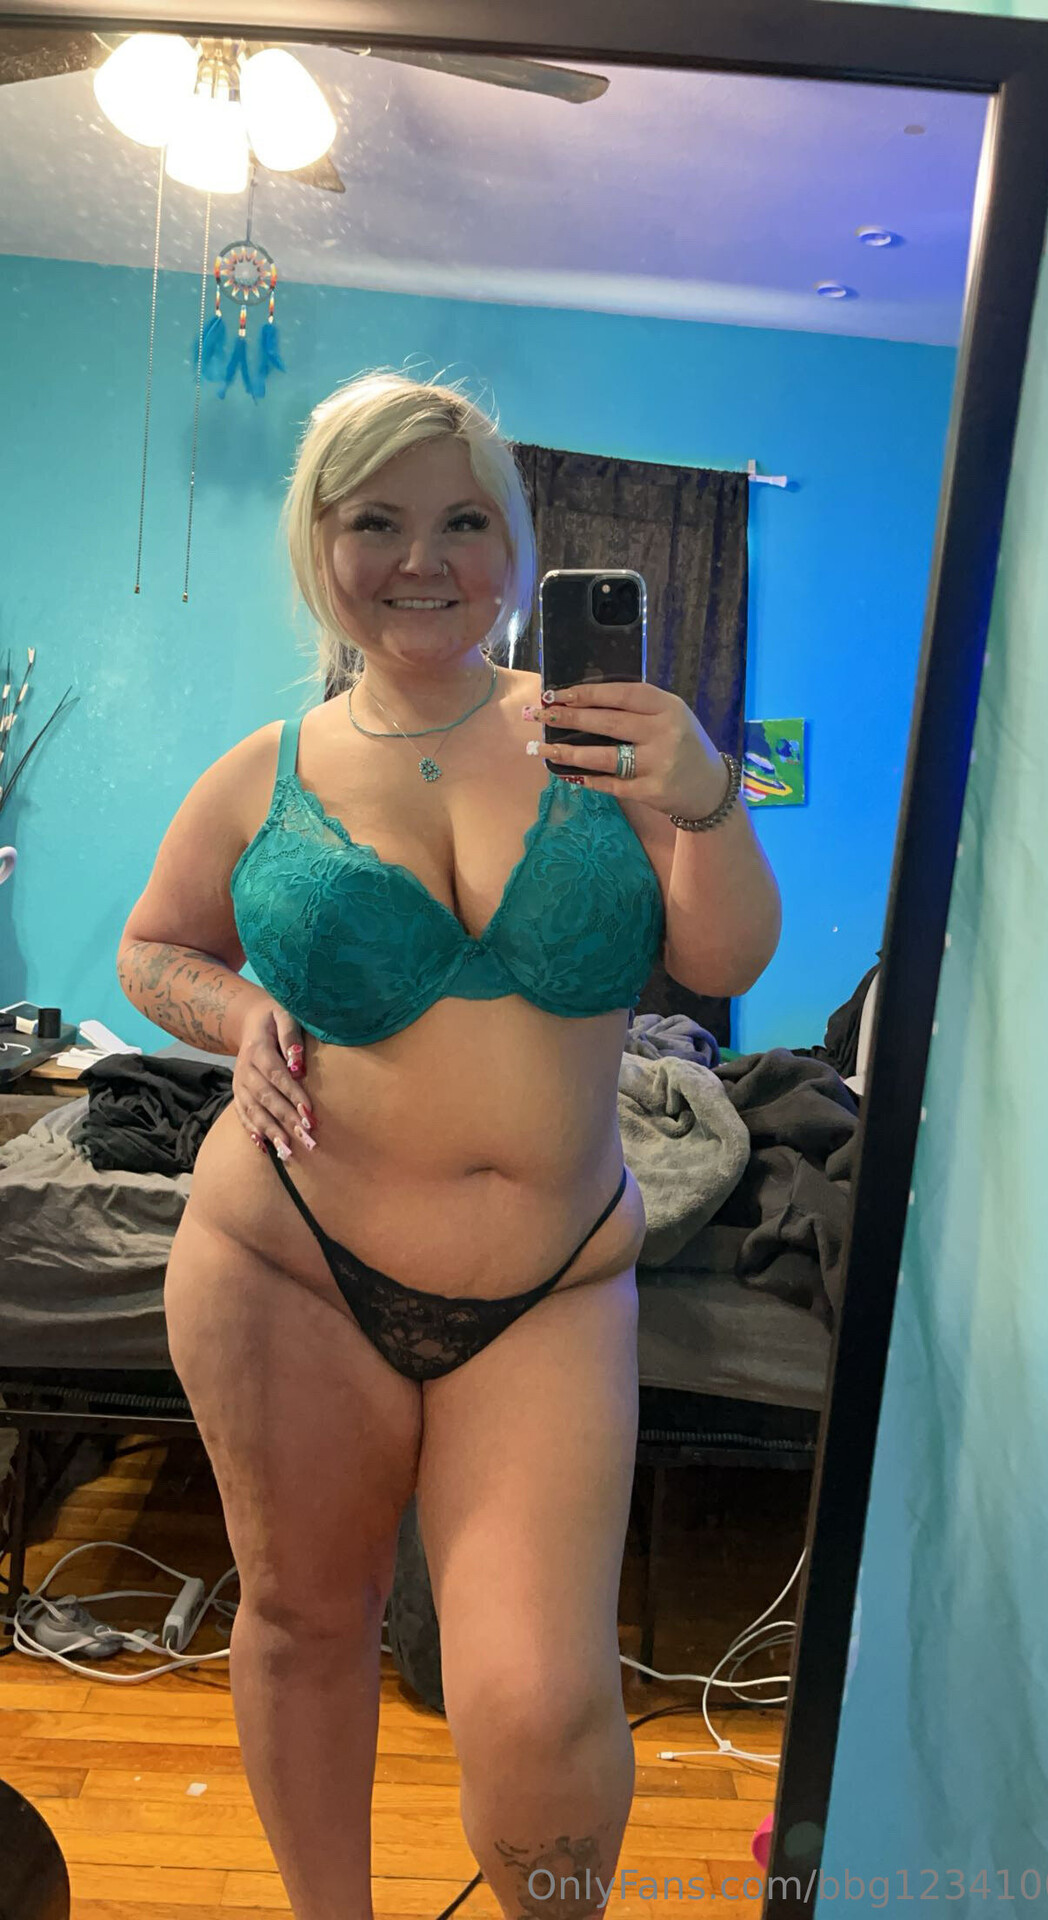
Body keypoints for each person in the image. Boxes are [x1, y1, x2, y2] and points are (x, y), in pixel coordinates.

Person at [116, 370, 782, 1920]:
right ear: (318, 544)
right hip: (286, 1263)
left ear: (518, 548)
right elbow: (153, 950)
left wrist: (706, 797)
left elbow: (726, 954)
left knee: (541, 1704)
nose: (424, 559)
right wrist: (242, 1013)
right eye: (377, 522)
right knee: (303, 1621)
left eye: (465, 521)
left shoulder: (607, 745)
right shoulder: (262, 773)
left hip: (550, 1288)